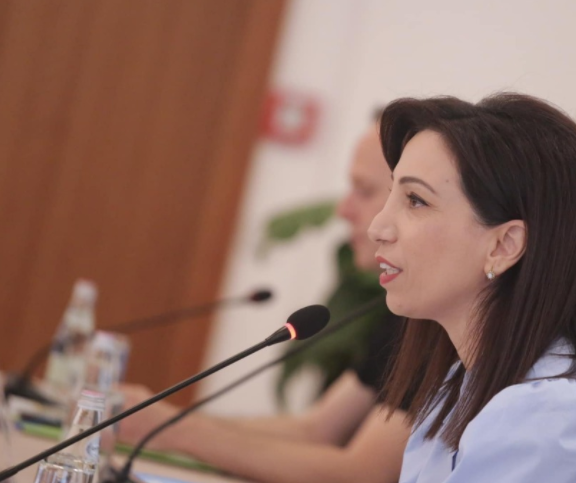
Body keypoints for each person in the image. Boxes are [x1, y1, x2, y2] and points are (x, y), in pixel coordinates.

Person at [367, 93, 576, 482]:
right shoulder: (465, 389)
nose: (377, 228)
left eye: (415, 201)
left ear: (504, 246)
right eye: (392, 193)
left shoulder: (555, 421)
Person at [119, 119, 410, 483]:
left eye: (364, 191)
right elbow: (315, 430)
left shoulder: (437, 325)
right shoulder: (401, 315)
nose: (343, 210)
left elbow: (363, 473)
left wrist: (170, 429)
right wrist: (161, 421)